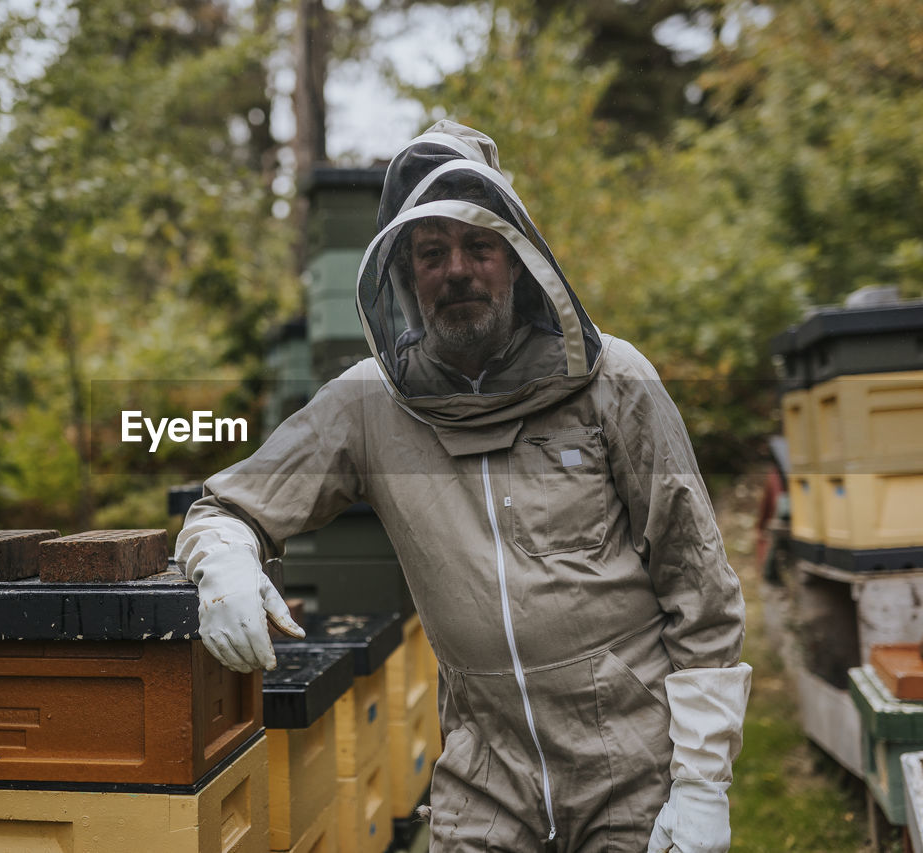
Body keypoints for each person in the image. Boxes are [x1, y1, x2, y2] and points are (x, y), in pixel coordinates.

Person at [176, 120, 751, 853]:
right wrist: (222, 554)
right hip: (485, 773)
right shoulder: (367, 404)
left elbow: (699, 590)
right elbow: (229, 502)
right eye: (431, 252)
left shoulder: (617, 382)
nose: (458, 269)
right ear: (406, 275)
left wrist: (702, 782)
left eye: (479, 245)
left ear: (517, 260)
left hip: (633, 762)